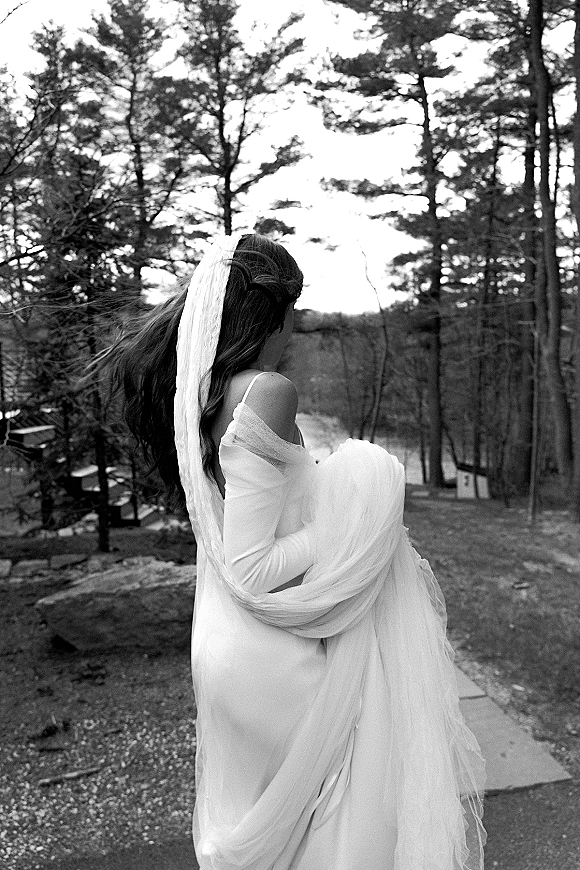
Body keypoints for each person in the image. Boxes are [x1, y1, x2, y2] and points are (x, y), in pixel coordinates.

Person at [111, 232, 486, 870]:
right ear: (277, 312)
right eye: (298, 314)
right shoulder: (265, 390)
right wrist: (355, 515)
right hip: (274, 651)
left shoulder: (207, 390)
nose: (299, 331)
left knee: (292, 841)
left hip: (226, 640)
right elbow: (252, 568)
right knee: (339, 829)